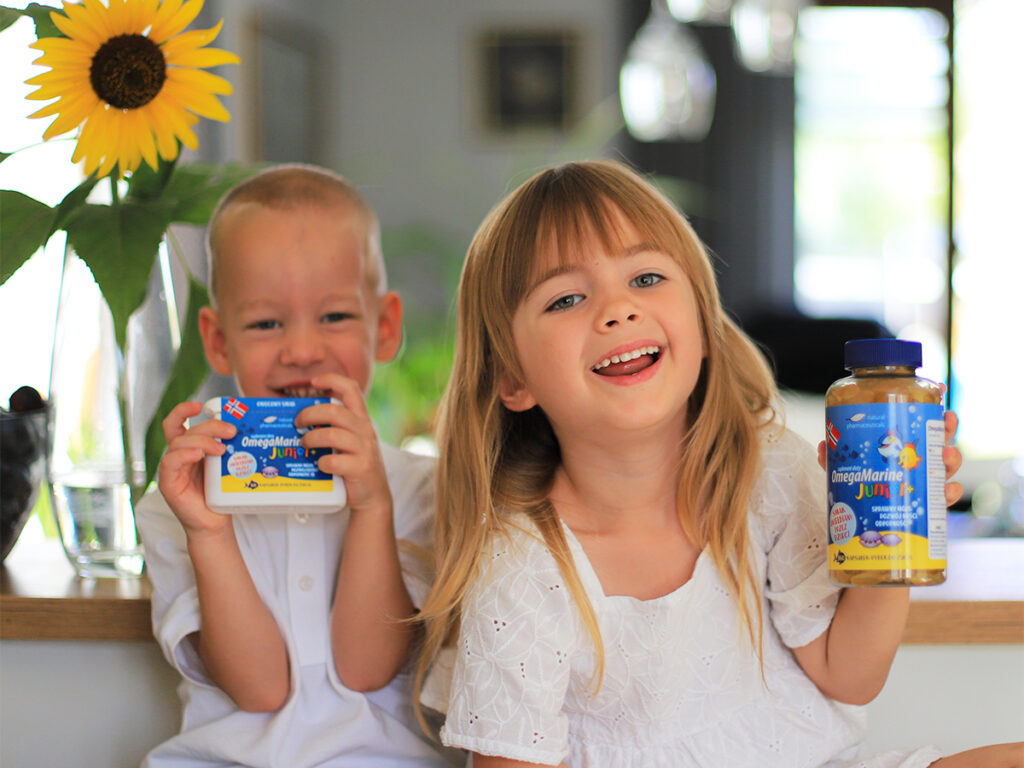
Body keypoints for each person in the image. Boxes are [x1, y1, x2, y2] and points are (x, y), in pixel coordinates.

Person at [414, 160, 1023, 768]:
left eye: (646, 277)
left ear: (704, 325)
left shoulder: (770, 474)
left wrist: (893, 538)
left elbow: (850, 674)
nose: (617, 309)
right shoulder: (522, 562)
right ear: (512, 378)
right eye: (567, 297)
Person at [136, 164, 463, 767]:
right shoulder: (174, 503)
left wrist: (371, 506)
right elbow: (258, 690)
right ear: (217, 340)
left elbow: (366, 669)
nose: (302, 350)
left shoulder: (426, 490)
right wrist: (208, 530)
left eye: (334, 316)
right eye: (265, 323)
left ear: (384, 328)